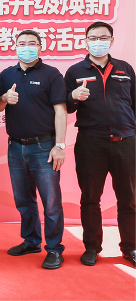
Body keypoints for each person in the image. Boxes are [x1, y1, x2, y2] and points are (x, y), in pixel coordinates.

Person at [0, 29, 67, 270]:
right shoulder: (6, 74)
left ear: (40, 47)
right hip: (15, 146)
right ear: (15, 46)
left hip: (44, 146)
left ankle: (54, 249)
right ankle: (32, 241)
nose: (27, 47)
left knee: (51, 202)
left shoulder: (51, 74)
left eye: (32, 43)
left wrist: (59, 145)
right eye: (22, 43)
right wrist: (4, 98)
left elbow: (60, 111)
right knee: (24, 199)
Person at [64, 21, 135, 267]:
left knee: (129, 199)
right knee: (90, 198)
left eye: (103, 38)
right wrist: (73, 96)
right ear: (85, 41)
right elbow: (67, 107)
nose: (98, 42)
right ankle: (92, 247)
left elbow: (133, 103)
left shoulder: (125, 68)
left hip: (125, 142)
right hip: (90, 143)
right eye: (93, 38)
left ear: (112, 40)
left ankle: (130, 247)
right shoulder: (75, 71)